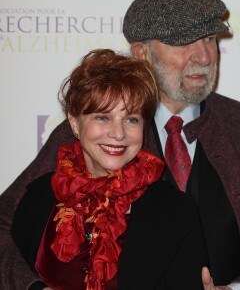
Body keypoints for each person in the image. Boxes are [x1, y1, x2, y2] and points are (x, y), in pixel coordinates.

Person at [0, 0, 240, 289]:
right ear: (142, 53)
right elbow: (6, 224)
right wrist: (32, 287)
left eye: (210, 39)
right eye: (183, 42)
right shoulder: (90, 136)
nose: (205, 56)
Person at [9, 48, 208, 290]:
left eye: (131, 119)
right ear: (74, 122)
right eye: (102, 117)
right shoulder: (39, 197)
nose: (118, 133)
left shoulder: (176, 213)